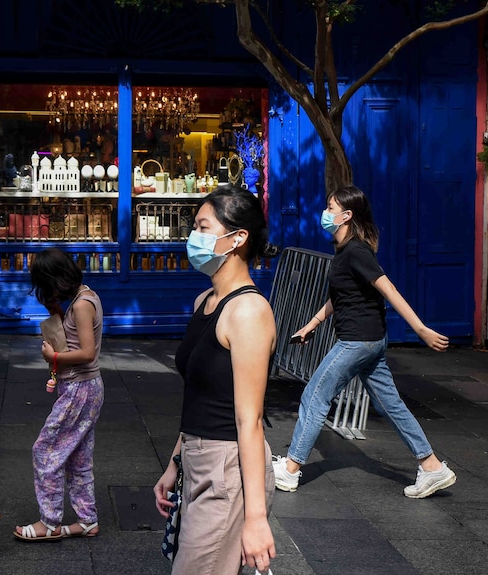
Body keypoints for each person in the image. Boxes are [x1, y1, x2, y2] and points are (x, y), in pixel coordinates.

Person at [273, 184, 456, 499]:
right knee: (392, 406)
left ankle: (290, 470)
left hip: (357, 341)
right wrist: (313, 324)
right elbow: (341, 294)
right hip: (370, 341)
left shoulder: (357, 250)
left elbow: (389, 289)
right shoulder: (346, 251)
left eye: (330, 208)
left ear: (346, 215)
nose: (325, 213)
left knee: (315, 397)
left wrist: (420, 329)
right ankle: (432, 466)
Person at [154, 186, 278, 574]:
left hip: (229, 470)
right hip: (197, 460)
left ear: (237, 238)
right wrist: (176, 462)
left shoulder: (249, 312)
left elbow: (250, 419)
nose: (194, 238)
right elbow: (199, 394)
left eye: (203, 227)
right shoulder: (204, 302)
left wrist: (256, 519)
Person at [15, 248, 104, 541]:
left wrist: (53, 357)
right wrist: (56, 312)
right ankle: (87, 520)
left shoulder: (81, 305)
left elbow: (87, 353)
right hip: (83, 387)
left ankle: (49, 523)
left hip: (79, 387)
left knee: (46, 452)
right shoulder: (84, 297)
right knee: (78, 457)